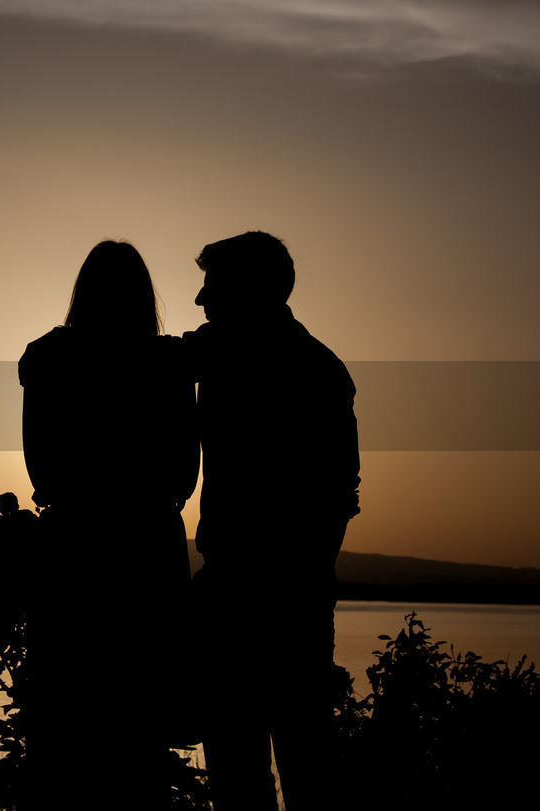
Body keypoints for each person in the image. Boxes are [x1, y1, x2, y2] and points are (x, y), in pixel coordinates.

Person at [17, 240, 199, 810]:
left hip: (74, 547)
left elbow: (40, 467)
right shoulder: (168, 362)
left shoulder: (48, 358)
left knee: (69, 715)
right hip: (146, 550)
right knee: (139, 719)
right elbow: (184, 471)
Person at [185, 231, 360, 811]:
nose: (200, 301)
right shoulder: (220, 352)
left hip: (281, 598)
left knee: (293, 765)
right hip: (262, 592)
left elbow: (337, 494)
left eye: (212, 287)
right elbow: (142, 357)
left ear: (248, 291)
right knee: (253, 769)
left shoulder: (315, 372)